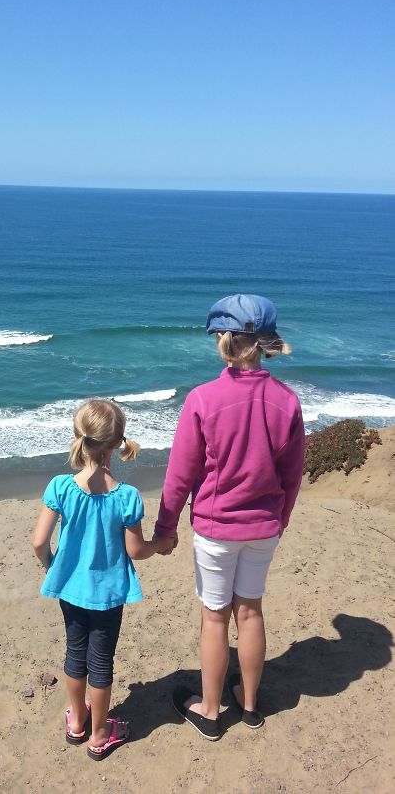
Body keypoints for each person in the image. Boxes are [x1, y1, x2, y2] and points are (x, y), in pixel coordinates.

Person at [154, 294, 305, 740]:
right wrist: (283, 516)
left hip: (217, 530)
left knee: (215, 617)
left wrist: (164, 529)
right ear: (264, 343)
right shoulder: (287, 402)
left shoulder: (203, 399)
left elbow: (180, 475)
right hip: (264, 527)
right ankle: (252, 705)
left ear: (224, 340)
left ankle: (211, 710)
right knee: (251, 611)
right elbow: (292, 475)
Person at [32, 399, 174, 760]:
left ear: (78, 437)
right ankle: (99, 733)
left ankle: (77, 722)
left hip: (71, 590)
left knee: (75, 653)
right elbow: (135, 550)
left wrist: (53, 565)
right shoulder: (126, 497)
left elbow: (38, 541)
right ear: (116, 443)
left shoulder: (61, 487)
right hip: (109, 594)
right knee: (101, 661)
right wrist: (160, 545)